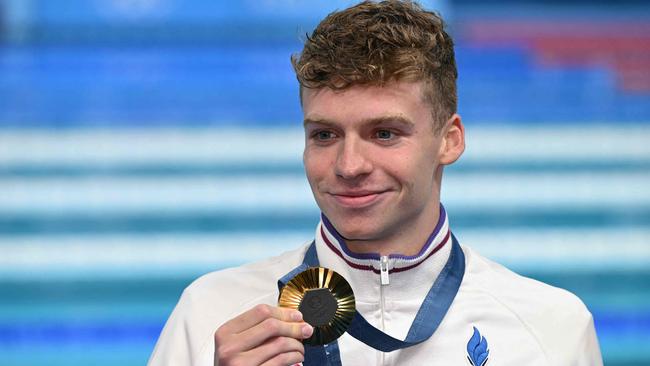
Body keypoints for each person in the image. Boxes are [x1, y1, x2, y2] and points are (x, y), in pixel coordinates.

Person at [148, 1, 602, 365]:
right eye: (324, 134)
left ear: (450, 140)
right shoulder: (211, 314)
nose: (349, 165)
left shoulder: (551, 328)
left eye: (384, 133)